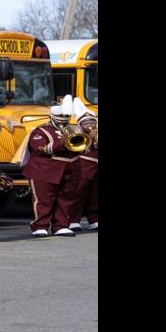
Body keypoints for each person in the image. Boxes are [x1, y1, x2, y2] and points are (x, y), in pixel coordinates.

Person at [24, 95, 83, 236]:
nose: (64, 118)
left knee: (66, 199)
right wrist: (61, 142)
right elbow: (40, 149)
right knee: (43, 200)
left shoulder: (74, 129)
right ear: (52, 116)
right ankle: (40, 226)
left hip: (69, 170)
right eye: (61, 115)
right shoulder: (41, 131)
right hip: (44, 170)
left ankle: (61, 225)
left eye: (67, 116)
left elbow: (82, 148)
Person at [65, 99, 99, 233]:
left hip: (96, 166)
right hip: (83, 164)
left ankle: (94, 219)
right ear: (80, 123)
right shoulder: (75, 131)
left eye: (92, 121)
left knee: (95, 194)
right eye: (86, 122)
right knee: (79, 192)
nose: (89, 124)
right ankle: (73, 220)